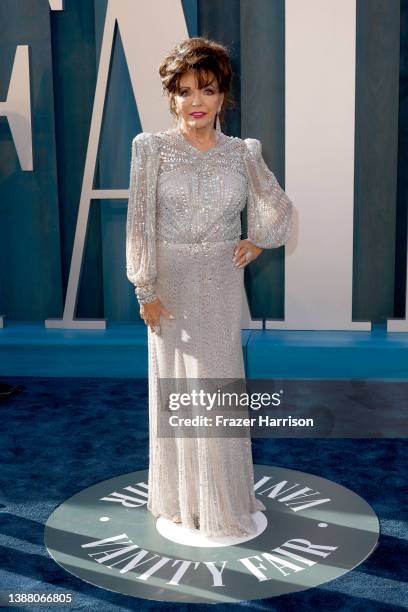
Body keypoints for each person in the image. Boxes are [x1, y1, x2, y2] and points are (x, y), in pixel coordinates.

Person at [126, 37, 293, 537]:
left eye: (207, 89)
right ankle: (181, 498)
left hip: (220, 284)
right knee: (178, 387)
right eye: (184, 91)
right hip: (169, 287)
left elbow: (277, 204)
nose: (195, 101)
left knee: (217, 388)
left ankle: (220, 498)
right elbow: (140, 223)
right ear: (171, 97)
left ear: (223, 97)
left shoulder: (242, 153)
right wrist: (145, 288)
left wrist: (258, 240)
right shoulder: (150, 148)